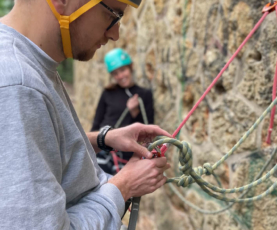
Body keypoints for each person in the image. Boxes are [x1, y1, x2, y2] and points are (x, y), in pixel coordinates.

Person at [0, 0, 170, 229]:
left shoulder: (29, 64)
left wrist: (103, 139)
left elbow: (44, 147)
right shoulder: (18, 85)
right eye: (113, 15)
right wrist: (125, 185)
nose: (115, 34)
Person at [91, 48, 154, 174]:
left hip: (126, 151)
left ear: (130, 67)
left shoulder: (144, 95)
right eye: (115, 73)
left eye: (123, 70)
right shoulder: (108, 93)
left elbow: (148, 129)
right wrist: (93, 147)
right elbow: (97, 123)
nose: (120, 76)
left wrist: (134, 112)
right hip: (104, 147)